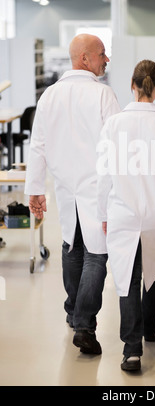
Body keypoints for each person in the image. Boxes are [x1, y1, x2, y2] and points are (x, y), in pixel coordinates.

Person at [24, 34, 120, 355]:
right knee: (97, 255)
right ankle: (84, 324)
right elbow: (115, 149)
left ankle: (72, 311)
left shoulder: (49, 96)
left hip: (65, 187)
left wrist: (36, 190)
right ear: (84, 59)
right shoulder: (103, 95)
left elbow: (37, 145)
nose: (106, 59)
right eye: (102, 54)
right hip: (97, 188)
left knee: (72, 246)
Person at [96, 59, 155, 372]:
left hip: (122, 211)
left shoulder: (113, 125)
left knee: (127, 278)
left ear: (132, 87)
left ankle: (131, 350)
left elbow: (104, 176)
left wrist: (103, 212)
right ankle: (151, 327)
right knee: (154, 269)